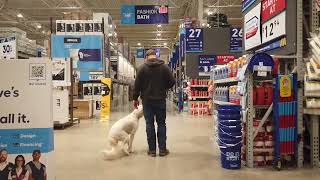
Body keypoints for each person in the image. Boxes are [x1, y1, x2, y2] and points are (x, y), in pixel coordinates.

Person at [133, 49, 175, 157]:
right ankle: (162, 150)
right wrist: (163, 88)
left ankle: (152, 151)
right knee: (161, 124)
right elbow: (172, 82)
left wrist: (135, 98)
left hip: (147, 101)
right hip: (160, 100)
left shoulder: (142, 68)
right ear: (155, 56)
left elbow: (136, 85)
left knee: (149, 124)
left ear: (146, 57)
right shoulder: (164, 67)